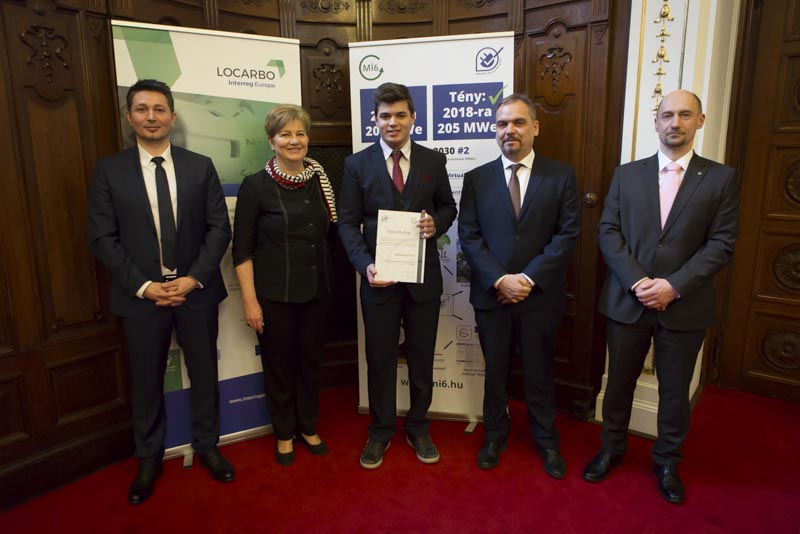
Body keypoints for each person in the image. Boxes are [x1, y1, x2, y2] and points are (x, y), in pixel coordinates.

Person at [585, 90, 738, 504]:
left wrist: (673, 285)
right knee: (618, 384)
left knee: (674, 392)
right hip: (627, 301)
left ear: (700, 121)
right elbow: (608, 231)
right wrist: (638, 281)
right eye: (667, 115)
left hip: (685, 304)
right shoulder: (626, 175)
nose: (675, 122)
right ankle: (611, 449)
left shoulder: (721, 179)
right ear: (656, 122)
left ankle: (667, 461)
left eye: (685, 115)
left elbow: (721, 244)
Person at [87, 79, 234, 505]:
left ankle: (208, 445)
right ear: (129, 116)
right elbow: (102, 238)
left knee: (204, 374)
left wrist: (193, 278)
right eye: (141, 109)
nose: (150, 117)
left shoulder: (200, 166)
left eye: (158, 109)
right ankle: (149, 457)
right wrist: (146, 286)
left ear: (172, 116)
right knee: (146, 381)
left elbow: (218, 229)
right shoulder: (109, 170)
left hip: (195, 293)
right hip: (141, 298)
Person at [458, 94, 580, 477]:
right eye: (502, 124)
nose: (509, 130)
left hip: (538, 296)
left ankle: (547, 441)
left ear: (535, 127)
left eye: (518, 122)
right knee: (495, 372)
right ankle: (495, 436)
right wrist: (500, 279)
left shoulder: (561, 176)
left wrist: (526, 279)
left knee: (539, 373)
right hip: (492, 295)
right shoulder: (477, 179)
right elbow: (469, 235)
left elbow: (567, 234)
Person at [338, 82, 457, 469]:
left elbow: (448, 207)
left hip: (424, 280)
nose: (393, 122)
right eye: (385, 116)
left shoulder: (433, 161)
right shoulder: (356, 164)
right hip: (379, 280)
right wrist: (364, 265)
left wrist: (435, 224)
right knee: (380, 359)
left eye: (400, 115)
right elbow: (347, 223)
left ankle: (419, 427)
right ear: (374, 120)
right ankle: (380, 431)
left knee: (421, 357)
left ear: (413, 118)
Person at [232, 104, 336, 466]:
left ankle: (307, 426)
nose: (294, 141)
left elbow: (332, 234)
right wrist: (250, 302)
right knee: (278, 366)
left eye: (300, 134)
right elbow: (242, 250)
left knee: (311, 362)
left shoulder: (320, 180)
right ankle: (283, 432)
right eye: (285, 134)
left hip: (318, 291)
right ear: (271, 141)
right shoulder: (255, 186)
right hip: (275, 296)